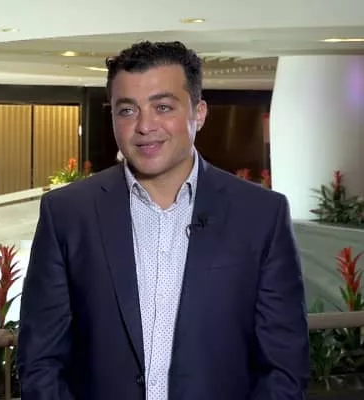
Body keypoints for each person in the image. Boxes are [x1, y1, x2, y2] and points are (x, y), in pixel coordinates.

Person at [16, 41, 310, 400]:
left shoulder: (261, 215)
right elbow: (40, 359)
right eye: (127, 110)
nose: (144, 126)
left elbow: (284, 366)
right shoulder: (68, 213)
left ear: (199, 113)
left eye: (163, 107)